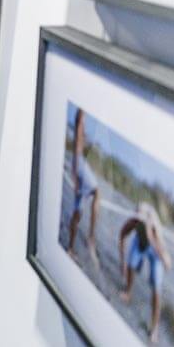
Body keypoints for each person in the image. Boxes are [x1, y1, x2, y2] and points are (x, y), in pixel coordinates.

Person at [119, 203, 172, 345]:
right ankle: (129, 292)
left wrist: (165, 257)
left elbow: (160, 247)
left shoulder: (155, 229)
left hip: (155, 249)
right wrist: (122, 261)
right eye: (138, 220)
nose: (138, 222)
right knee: (131, 264)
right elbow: (122, 235)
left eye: (141, 221)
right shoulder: (134, 221)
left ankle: (154, 328)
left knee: (156, 287)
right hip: (141, 242)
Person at [66, 108, 100, 266]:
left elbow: (78, 143)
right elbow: (76, 147)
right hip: (78, 162)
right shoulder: (81, 120)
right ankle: (91, 237)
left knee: (77, 213)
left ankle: (70, 248)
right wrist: (74, 171)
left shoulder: (81, 124)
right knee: (97, 191)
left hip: (78, 162)